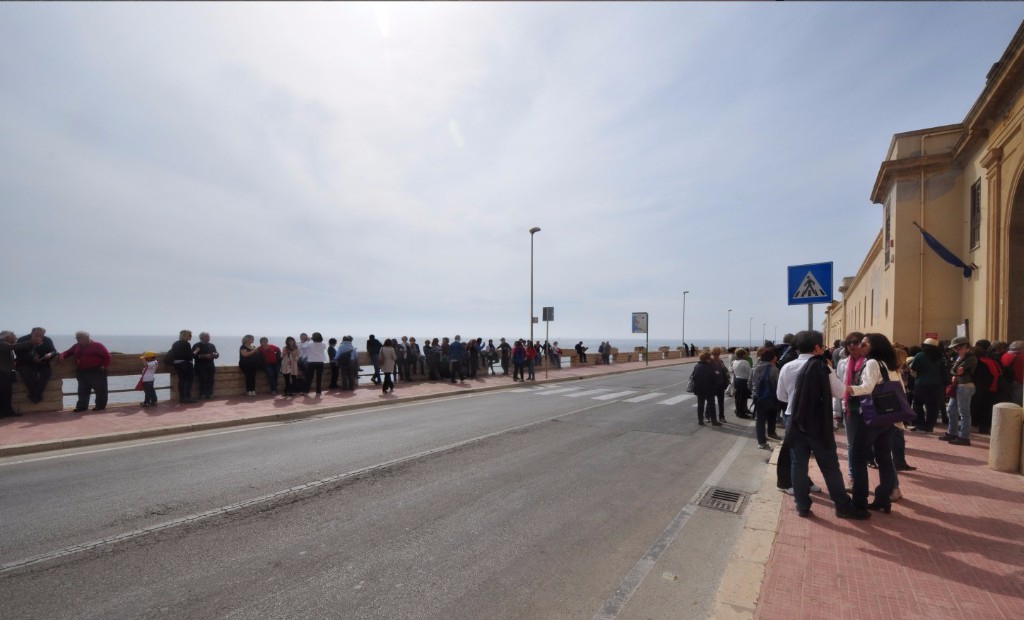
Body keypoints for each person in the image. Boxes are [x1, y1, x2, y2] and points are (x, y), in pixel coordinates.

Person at [778, 330, 867, 520]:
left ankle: (802, 505)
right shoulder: (823, 367)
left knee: (798, 464)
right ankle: (842, 506)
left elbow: (782, 396)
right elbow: (839, 392)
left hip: (793, 421)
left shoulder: (787, 367)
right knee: (829, 466)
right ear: (817, 347)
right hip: (818, 423)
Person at [844, 333, 902, 514]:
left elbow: (866, 388)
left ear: (874, 346)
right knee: (884, 458)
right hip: (888, 418)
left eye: (864, 343)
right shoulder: (891, 364)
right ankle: (883, 498)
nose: (860, 346)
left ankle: (859, 503)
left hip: (870, 417)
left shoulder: (872, 363)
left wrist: (844, 389)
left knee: (858, 457)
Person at [57, 331, 111, 412]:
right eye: (77, 338)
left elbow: (107, 356)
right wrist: (62, 356)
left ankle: (100, 406)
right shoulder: (77, 346)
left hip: (96, 370)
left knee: (100, 390)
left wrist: (104, 366)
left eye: (79, 338)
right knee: (82, 390)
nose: (77, 340)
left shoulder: (97, 345)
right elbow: (68, 352)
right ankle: (82, 406)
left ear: (87, 338)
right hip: (82, 371)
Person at [942, 337, 976, 446]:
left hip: (965, 386)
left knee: (964, 412)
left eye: (957, 347)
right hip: (959, 386)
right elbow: (953, 370)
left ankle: (964, 437)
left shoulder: (971, 358)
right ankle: (952, 432)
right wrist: (959, 360)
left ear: (965, 346)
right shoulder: (961, 357)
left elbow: (956, 371)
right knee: (951, 409)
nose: (956, 350)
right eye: (955, 348)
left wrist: (960, 359)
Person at [909, 338, 946, 433]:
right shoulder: (941, 357)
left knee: (918, 404)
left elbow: (913, 370)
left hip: (921, 383)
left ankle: (920, 425)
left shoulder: (920, 356)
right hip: (937, 384)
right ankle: (929, 427)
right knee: (933, 405)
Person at [1, 330, 39, 417]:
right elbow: (13, 347)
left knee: (7, 393)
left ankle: (8, 411)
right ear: (7, 337)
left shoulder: (6, 344)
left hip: (6, 373)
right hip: (1, 373)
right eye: (14, 337)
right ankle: (3, 413)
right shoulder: (1, 343)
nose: (16, 339)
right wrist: (30, 342)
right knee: (3, 393)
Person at [15, 327, 56, 403]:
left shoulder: (47, 340)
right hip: (26, 363)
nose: (39, 337)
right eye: (36, 335)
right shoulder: (22, 340)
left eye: (41, 335)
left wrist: (49, 354)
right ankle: (37, 395)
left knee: (47, 373)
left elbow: (53, 351)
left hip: (41, 363)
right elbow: (18, 353)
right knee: (25, 372)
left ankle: (34, 395)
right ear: (32, 333)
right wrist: (32, 358)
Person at [750, 346, 781, 447]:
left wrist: (754, 392)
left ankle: (761, 442)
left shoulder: (753, 369)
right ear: (773, 358)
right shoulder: (774, 370)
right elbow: (778, 385)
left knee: (760, 420)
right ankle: (771, 432)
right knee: (772, 416)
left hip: (758, 397)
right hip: (771, 397)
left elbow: (749, 383)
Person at [691, 351, 721, 426]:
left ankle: (700, 420)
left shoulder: (697, 366)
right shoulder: (710, 366)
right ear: (707, 358)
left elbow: (694, 377)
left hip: (699, 389)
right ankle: (714, 421)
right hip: (709, 389)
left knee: (700, 405)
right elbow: (714, 378)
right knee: (711, 405)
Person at [168, 329, 196, 403]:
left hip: (177, 364)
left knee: (181, 380)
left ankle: (182, 398)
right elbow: (189, 356)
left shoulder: (175, 343)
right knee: (189, 380)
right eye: (189, 335)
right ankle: (188, 397)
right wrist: (196, 351)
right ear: (185, 335)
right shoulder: (186, 344)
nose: (191, 336)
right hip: (186, 364)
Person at [192, 332, 220, 399]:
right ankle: (202, 394)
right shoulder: (196, 345)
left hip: (210, 365)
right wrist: (204, 356)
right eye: (206, 337)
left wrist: (215, 354)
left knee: (211, 380)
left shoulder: (212, 345)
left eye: (209, 337)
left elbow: (217, 355)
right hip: (200, 366)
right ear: (201, 338)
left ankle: (210, 394)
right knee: (202, 380)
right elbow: (193, 356)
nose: (208, 338)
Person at [303, 332, 328, 396]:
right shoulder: (323, 344)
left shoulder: (310, 344)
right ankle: (318, 392)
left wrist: (308, 340)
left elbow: (303, 347)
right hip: (320, 362)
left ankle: (306, 391)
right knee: (319, 378)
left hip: (311, 362)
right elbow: (323, 347)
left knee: (309, 378)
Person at [731, 347, 753, 418]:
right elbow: (749, 372)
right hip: (743, 380)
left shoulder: (734, 362)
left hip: (737, 379)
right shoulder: (745, 362)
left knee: (737, 397)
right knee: (742, 398)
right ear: (743, 355)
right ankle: (742, 413)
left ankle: (738, 411)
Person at [1002, 340, 1024, 405]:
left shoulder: (1005, 355)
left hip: (1007, 380)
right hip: (1019, 381)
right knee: (1017, 402)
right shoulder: (1022, 356)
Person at [709, 347, 728, 423]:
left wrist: (722, 366)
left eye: (718, 354)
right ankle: (707, 416)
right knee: (710, 401)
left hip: (721, 384)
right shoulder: (709, 362)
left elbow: (726, 371)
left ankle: (722, 416)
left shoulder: (721, 361)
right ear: (711, 354)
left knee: (721, 401)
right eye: (714, 354)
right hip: (712, 385)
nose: (716, 355)